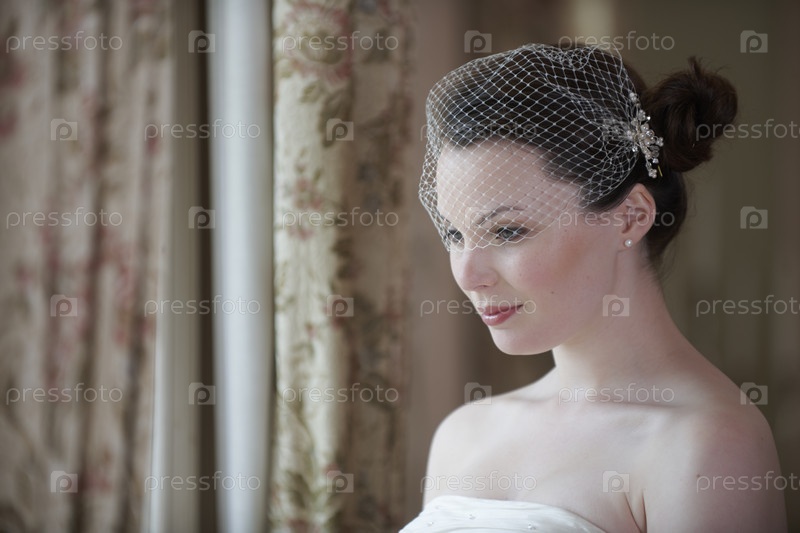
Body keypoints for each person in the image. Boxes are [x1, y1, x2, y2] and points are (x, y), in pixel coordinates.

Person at [401, 44, 787, 532]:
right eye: (455, 234)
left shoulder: (706, 445)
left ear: (631, 216)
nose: (467, 274)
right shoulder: (463, 434)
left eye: (507, 231)